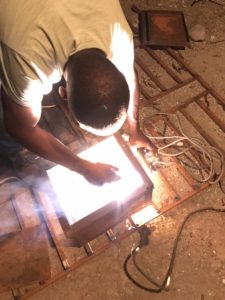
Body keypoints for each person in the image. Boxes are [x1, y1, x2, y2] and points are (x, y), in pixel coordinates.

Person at [0, 0, 150, 185]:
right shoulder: (28, 67)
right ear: (62, 93)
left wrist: (134, 128)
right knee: (12, 105)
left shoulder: (120, 37)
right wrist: (82, 167)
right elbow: (19, 128)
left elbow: (131, 79)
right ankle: (12, 153)